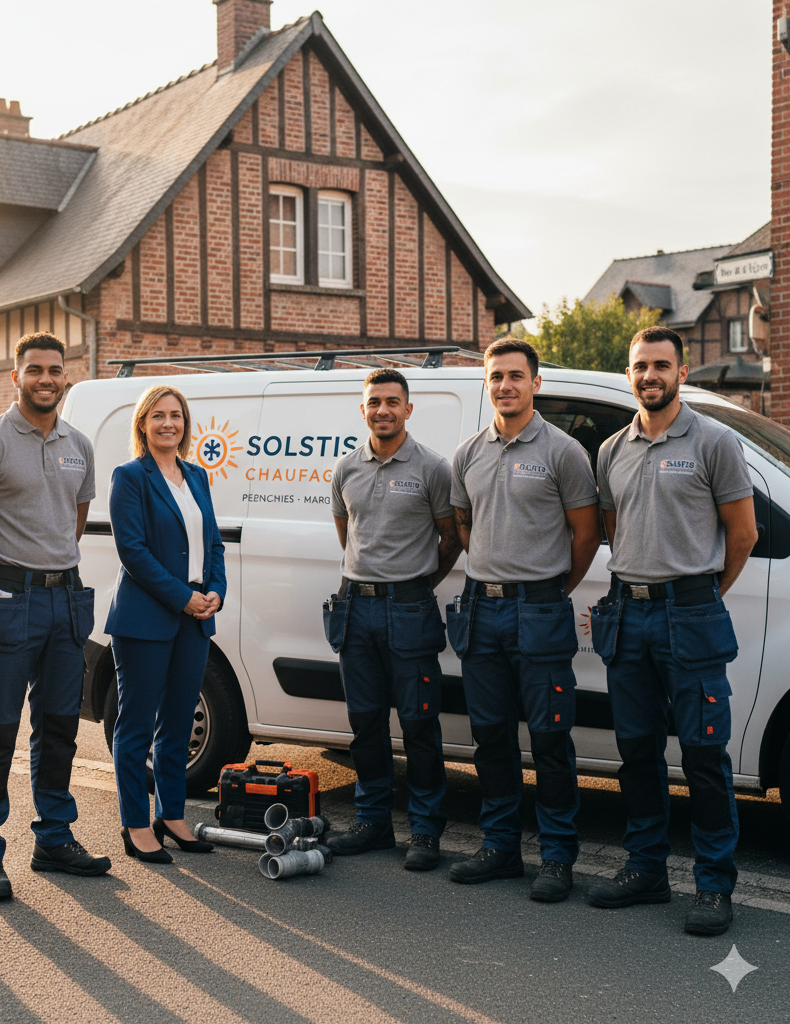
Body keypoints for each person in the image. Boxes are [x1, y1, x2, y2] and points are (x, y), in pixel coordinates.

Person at [586, 326, 757, 936]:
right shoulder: (611, 449)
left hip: (691, 614)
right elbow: (613, 527)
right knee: (636, 750)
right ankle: (646, 869)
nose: (649, 375)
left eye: (661, 365)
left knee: (704, 755)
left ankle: (713, 886)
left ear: (682, 372)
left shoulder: (714, 442)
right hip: (627, 615)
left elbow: (743, 534)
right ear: (629, 373)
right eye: (640, 366)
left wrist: (703, 594)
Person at [0, 332, 109, 901]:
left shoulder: (79, 445)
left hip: (65, 600)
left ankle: (55, 838)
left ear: (66, 377)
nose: (45, 378)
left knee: (59, 724)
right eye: (34, 369)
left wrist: (47, 577)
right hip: (7, 599)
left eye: (54, 370)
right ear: (16, 377)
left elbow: (73, 520)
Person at [447, 338, 600, 901]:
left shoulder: (563, 452)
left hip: (540, 609)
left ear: (536, 383)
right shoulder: (468, 453)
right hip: (481, 610)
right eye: (496, 377)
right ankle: (501, 847)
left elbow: (587, 535)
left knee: (550, 738)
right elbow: (464, 526)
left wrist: (551, 587)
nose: (506, 385)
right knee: (489, 735)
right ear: (486, 384)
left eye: (516, 375)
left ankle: (557, 856)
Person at [323, 368, 462, 870]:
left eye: (392, 401)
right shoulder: (346, 469)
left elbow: (451, 537)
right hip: (354, 607)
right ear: (363, 410)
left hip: (409, 608)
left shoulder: (432, 468)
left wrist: (418, 581)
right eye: (374, 401)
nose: (383, 409)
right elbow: (347, 532)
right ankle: (373, 822)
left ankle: (425, 832)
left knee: (419, 724)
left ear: (408, 408)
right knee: (364, 724)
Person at [105, 385, 226, 862]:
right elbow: (132, 551)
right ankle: (136, 825)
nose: (168, 424)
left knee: (177, 724)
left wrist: (215, 591)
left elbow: (213, 542)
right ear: (143, 424)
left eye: (176, 416)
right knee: (136, 728)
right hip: (145, 618)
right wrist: (184, 598)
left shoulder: (197, 475)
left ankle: (172, 816)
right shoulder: (129, 476)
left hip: (196, 617)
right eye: (158, 416)